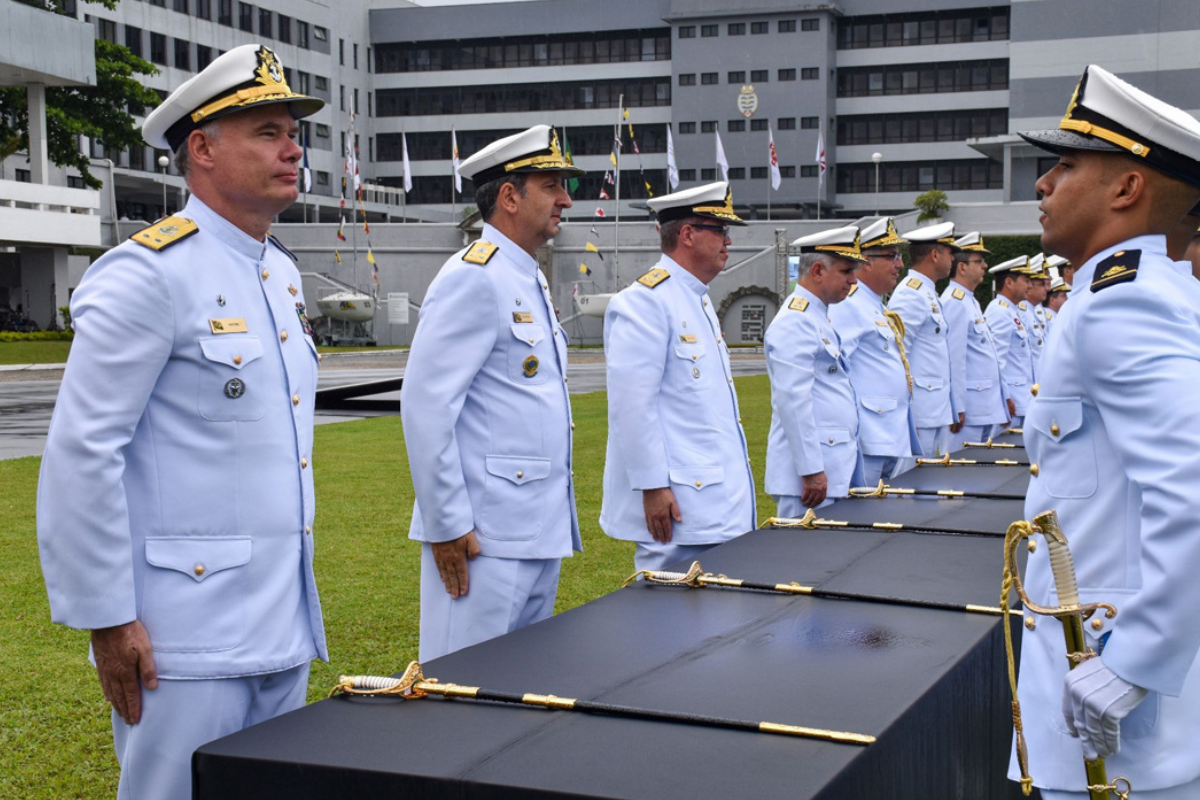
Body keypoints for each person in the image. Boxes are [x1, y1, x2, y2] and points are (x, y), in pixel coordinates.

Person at [37, 44, 326, 800]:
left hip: (280, 622)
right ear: (201, 149)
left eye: (293, 133)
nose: (292, 149)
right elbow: (83, 452)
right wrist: (109, 619)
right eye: (267, 132)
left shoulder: (279, 272)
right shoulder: (148, 272)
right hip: (183, 639)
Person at [1016, 64, 1200, 799]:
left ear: (1126, 188)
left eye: (1066, 165)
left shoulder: (1124, 303)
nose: (1043, 184)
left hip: (1119, 714)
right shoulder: (1134, 291)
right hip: (1110, 693)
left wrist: (1135, 661)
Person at [401, 125, 583, 661]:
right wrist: (447, 524)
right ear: (509, 196)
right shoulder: (473, 276)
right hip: (482, 539)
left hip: (532, 529)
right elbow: (427, 406)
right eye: (552, 186)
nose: (565, 200)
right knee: (464, 688)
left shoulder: (525, 276)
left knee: (519, 687)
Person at [600, 182, 756, 572]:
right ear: (687, 234)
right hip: (679, 510)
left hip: (715, 503)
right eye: (719, 230)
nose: (728, 241)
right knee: (668, 604)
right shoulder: (645, 301)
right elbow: (632, 406)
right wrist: (652, 486)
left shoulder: (696, 298)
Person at [764, 225, 866, 513]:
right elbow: (792, 399)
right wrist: (811, 470)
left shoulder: (816, 316)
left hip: (828, 468)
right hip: (808, 480)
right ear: (818, 271)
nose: (854, 280)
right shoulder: (795, 320)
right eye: (846, 271)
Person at [828, 217, 921, 486]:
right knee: (865, 506)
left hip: (889, 431)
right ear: (866, 262)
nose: (900, 264)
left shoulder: (875, 305)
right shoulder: (848, 304)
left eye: (899, 256)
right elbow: (836, 372)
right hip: (869, 436)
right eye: (892, 257)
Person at [887, 222, 961, 458]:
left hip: (934, 408)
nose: (953, 259)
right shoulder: (911, 293)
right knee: (918, 476)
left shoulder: (927, 292)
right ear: (935, 254)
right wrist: (907, 412)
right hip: (920, 410)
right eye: (950, 252)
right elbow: (899, 355)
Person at [942, 232, 1010, 449]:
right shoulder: (954, 302)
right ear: (962, 267)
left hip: (982, 404)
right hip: (969, 409)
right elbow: (954, 358)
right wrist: (957, 406)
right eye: (979, 261)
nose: (985, 266)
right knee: (962, 464)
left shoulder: (969, 301)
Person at [984, 256, 1036, 428]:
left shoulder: (1013, 310)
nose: (1030, 286)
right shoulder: (1000, 311)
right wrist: (1004, 397)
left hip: (1022, 399)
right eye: (1026, 280)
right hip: (1012, 404)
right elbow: (996, 359)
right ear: (1009, 282)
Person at [1021, 255, 1050, 371]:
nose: (1046, 289)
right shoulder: (1021, 311)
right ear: (1030, 285)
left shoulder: (1034, 309)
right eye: (1042, 284)